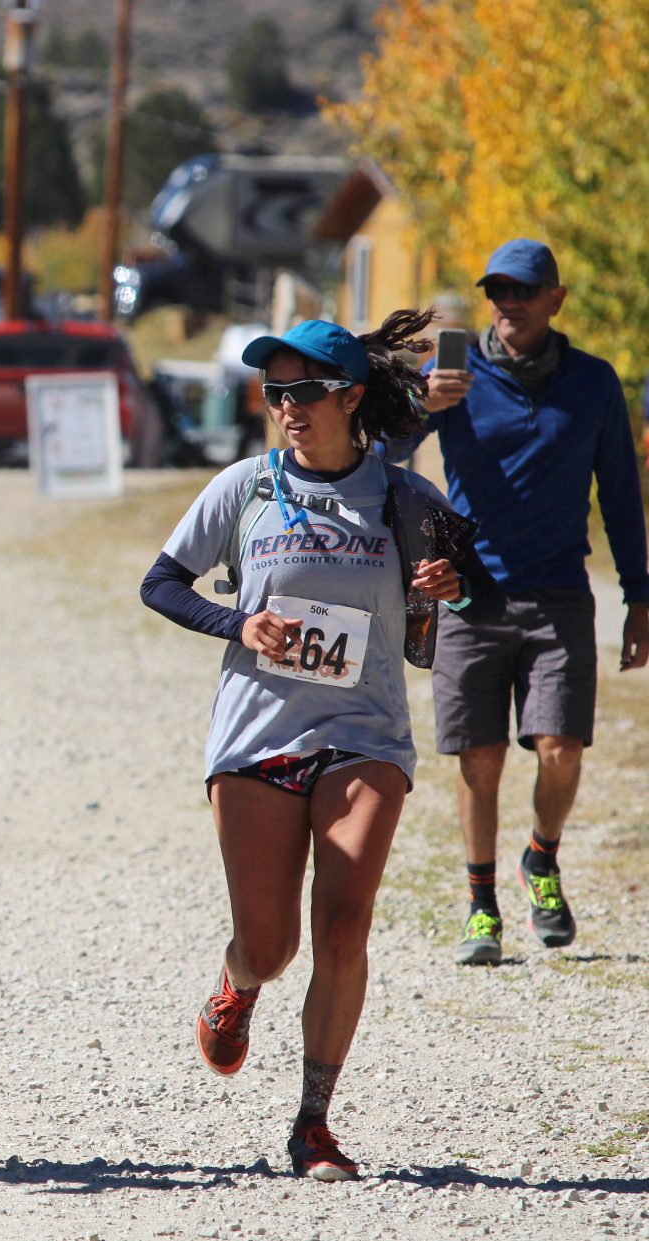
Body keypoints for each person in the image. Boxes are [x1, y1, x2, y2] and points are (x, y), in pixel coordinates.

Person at [140, 315, 488, 1180]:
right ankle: (238, 981)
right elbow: (160, 583)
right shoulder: (244, 489)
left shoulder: (404, 498)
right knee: (273, 944)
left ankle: (313, 1124)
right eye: (275, 392)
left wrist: (453, 583)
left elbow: (473, 588)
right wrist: (239, 623)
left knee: (343, 924)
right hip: (257, 735)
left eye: (304, 392)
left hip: (365, 733)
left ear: (351, 396)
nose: (287, 407)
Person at [395, 239, 649, 966]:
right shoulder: (455, 373)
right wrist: (421, 405)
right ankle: (481, 904)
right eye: (498, 291)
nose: (509, 303)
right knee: (479, 759)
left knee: (560, 748)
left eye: (524, 290)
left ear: (555, 299)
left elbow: (622, 498)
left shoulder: (595, 384)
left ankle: (541, 858)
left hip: (561, 594)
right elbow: (379, 453)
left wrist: (640, 596)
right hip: (471, 594)